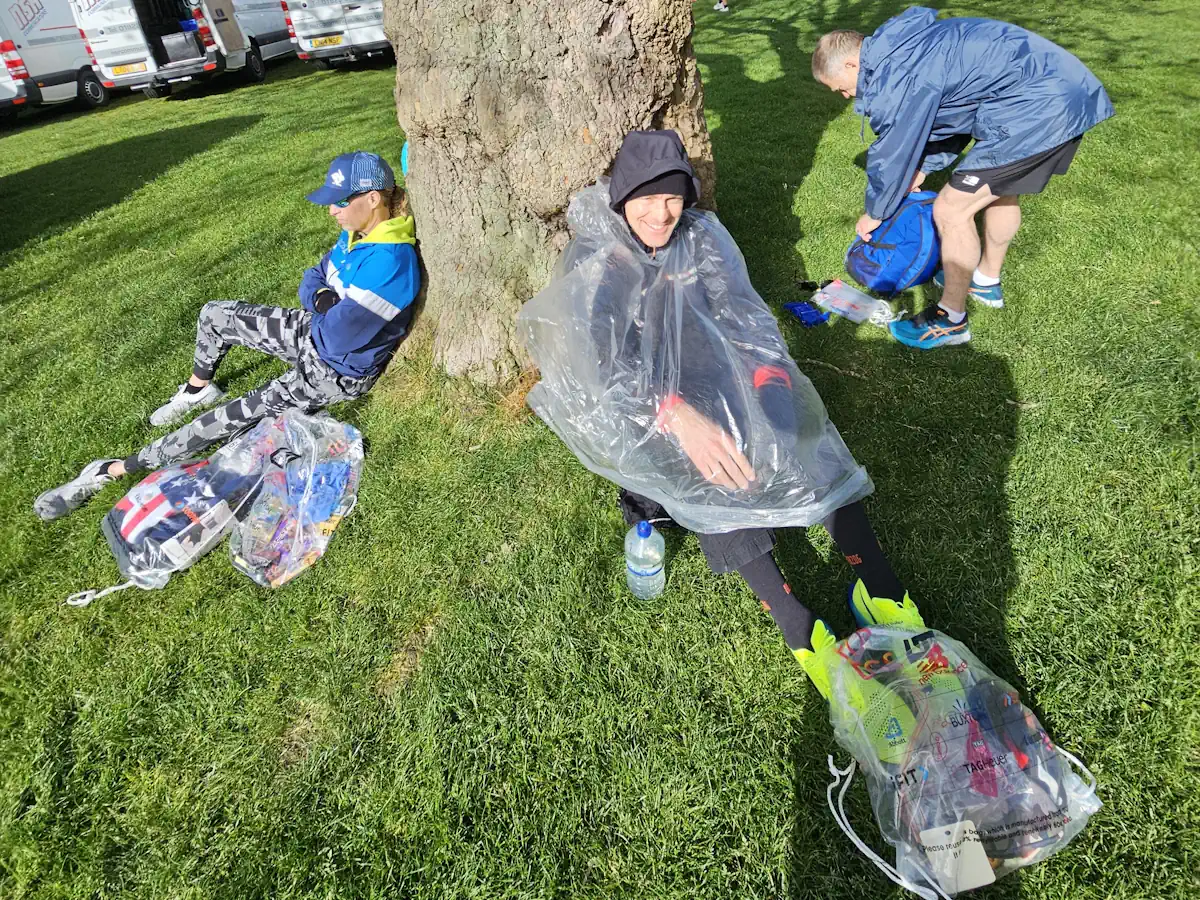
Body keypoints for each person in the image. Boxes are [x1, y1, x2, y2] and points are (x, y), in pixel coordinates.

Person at [520, 130, 918, 675]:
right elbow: (603, 363)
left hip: (721, 372)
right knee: (716, 472)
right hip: (652, 406)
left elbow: (741, 312)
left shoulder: (700, 234)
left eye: (673, 198)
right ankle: (795, 621)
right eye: (647, 199)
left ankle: (879, 586)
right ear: (622, 197)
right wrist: (676, 416)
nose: (661, 214)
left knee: (804, 439)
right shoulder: (601, 258)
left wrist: (768, 376)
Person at [34, 151, 419, 521]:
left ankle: (113, 469)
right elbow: (312, 280)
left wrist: (321, 307)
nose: (330, 210)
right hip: (312, 333)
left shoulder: (389, 261)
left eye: (338, 202)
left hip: (333, 372)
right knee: (215, 315)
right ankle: (197, 388)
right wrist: (323, 301)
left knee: (223, 421)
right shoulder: (356, 234)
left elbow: (337, 340)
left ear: (372, 198)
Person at [812, 7, 1113, 349]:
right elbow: (954, 112)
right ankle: (985, 280)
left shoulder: (893, 77)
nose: (848, 97)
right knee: (1001, 190)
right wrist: (925, 168)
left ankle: (951, 320)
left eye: (840, 89)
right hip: (1063, 88)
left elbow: (892, 152)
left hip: (1036, 107)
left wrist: (875, 212)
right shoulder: (903, 48)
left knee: (951, 210)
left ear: (852, 64)